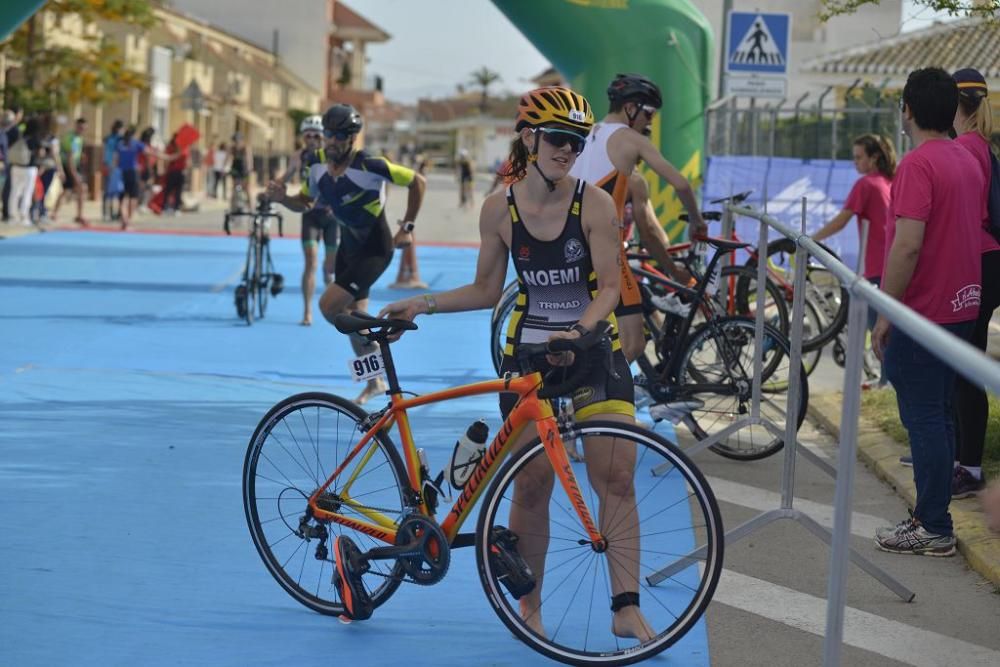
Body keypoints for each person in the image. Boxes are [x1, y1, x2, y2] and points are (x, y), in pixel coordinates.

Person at [379, 87, 653, 641]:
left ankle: (626, 606)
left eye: (577, 142)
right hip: (530, 358)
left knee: (616, 475)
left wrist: (581, 330)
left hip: (591, 351)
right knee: (531, 485)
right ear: (528, 137)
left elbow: (606, 289)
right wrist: (423, 302)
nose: (568, 150)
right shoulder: (499, 209)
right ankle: (531, 609)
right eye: (557, 139)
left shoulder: (595, 204)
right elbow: (486, 289)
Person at [871, 67, 983, 556]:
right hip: (962, 306)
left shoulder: (918, 165)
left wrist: (884, 311)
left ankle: (933, 524)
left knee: (925, 420)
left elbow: (908, 247)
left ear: (909, 111)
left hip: (923, 312)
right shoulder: (967, 159)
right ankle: (933, 518)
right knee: (940, 416)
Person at [266, 103, 426, 403]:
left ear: (352, 138)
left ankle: (378, 345)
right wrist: (283, 199)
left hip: (375, 248)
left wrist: (407, 226)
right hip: (347, 248)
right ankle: (375, 382)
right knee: (353, 316)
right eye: (328, 133)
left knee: (329, 307)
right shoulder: (314, 164)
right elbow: (304, 202)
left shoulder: (369, 165)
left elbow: (419, 181)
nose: (332, 140)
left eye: (339, 135)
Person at [570, 73, 706, 363]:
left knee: (592, 334)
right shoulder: (629, 139)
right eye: (649, 113)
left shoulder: (584, 134)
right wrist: (696, 220)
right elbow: (680, 183)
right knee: (632, 343)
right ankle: (583, 400)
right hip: (605, 250)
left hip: (570, 244)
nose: (651, 122)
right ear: (631, 108)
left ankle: (576, 396)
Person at [951, 68, 1000, 500]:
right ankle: (959, 457)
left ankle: (968, 465)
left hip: (979, 264)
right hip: (989, 262)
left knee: (964, 365)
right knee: (966, 363)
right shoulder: (980, 145)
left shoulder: (965, 148)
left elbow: (965, 217)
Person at [813, 133, 896, 388]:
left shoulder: (867, 184)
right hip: (892, 265)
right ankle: (886, 379)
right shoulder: (887, 181)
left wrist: (810, 239)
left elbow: (842, 219)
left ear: (874, 158)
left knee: (878, 329)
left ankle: (886, 381)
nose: (855, 162)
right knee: (887, 328)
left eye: (859, 157)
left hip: (877, 267)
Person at [276, 115, 339, 326]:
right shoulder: (299, 156)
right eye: (307, 135)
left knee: (330, 268)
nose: (311, 139)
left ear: (322, 137)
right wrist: (272, 190)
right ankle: (307, 311)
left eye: (316, 135)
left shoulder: (331, 156)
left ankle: (328, 269)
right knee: (309, 261)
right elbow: (285, 178)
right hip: (310, 214)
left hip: (331, 216)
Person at [52, 117, 88, 226]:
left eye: (84, 128)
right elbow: (69, 157)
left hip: (75, 166)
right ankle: (54, 213)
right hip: (68, 166)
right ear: (76, 126)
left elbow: (77, 153)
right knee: (67, 190)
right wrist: (74, 174)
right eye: (80, 127)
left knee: (81, 189)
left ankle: (79, 215)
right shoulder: (70, 138)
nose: (82, 130)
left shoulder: (80, 139)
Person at [7, 116, 41, 226]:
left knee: (15, 191)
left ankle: (12, 216)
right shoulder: (35, 138)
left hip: (15, 166)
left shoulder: (20, 135)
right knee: (27, 192)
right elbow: (40, 153)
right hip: (29, 168)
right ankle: (23, 215)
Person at [101, 120, 125, 221]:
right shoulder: (110, 139)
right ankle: (107, 212)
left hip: (117, 168)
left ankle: (116, 212)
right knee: (108, 191)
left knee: (118, 191)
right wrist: (106, 165)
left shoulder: (121, 139)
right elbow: (106, 153)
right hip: (110, 166)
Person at [162, 132, 188, 215]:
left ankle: (171, 207)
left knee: (173, 190)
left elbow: (186, 161)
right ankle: (171, 207)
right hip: (176, 171)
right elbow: (186, 160)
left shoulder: (173, 147)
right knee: (173, 190)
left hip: (175, 171)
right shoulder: (180, 148)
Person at [229, 132, 253, 212]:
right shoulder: (232, 148)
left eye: (238, 141)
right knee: (233, 189)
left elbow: (249, 159)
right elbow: (227, 158)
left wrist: (249, 168)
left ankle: (250, 208)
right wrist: (223, 168)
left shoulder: (246, 148)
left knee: (246, 189)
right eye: (235, 141)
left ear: (241, 140)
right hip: (235, 168)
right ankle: (232, 207)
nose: (236, 143)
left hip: (244, 168)